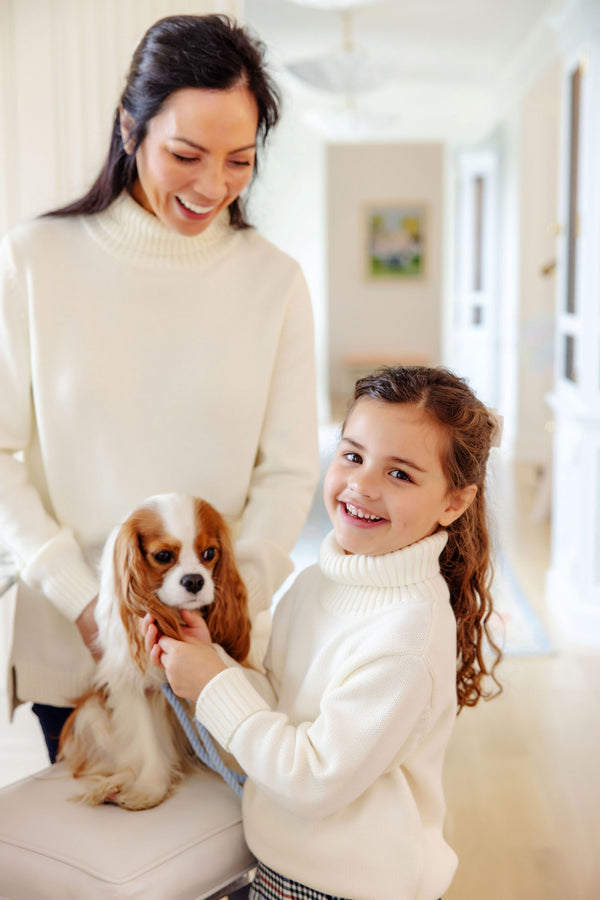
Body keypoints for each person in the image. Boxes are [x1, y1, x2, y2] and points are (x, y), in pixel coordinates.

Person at [0, 14, 319, 763]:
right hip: (79, 654)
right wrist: (85, 600)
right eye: (186, 153)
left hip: (219, 657)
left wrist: (222, 614)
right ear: (129, 128)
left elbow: (289, 473)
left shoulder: (273, 283)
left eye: (240, 160)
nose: (213, 186)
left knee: (223, 870)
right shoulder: (37, 262)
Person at [145, 365, 503, 900]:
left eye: (400, 474)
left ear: (453, 502)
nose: (361, 485)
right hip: (278, 866)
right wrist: (215, 664)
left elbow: (312, 779)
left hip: (348, 887)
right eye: (353, 456)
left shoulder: (406, 638)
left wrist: (215, 686)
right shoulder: (314, 583)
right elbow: (283, 710)